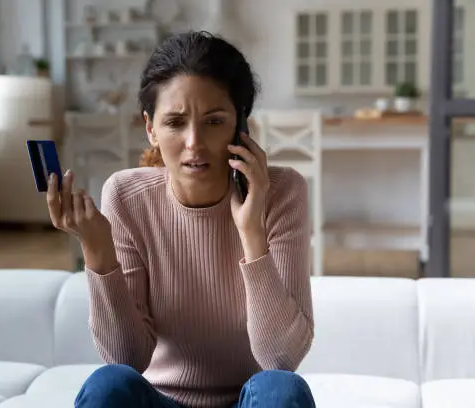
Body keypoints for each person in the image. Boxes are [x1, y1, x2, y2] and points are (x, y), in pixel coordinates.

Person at [47, 31, 316, 408]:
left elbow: (281, 360)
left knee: (282, 391)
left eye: (214, 121)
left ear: (241, 127)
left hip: (251, 401)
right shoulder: (126, 196)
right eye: (175, 122)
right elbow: (126, 359)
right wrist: (97, 251)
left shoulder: (283, 192)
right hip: (161, 400)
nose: (193, 142)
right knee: (109, 384)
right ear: (150, 129)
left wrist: (251, 231)